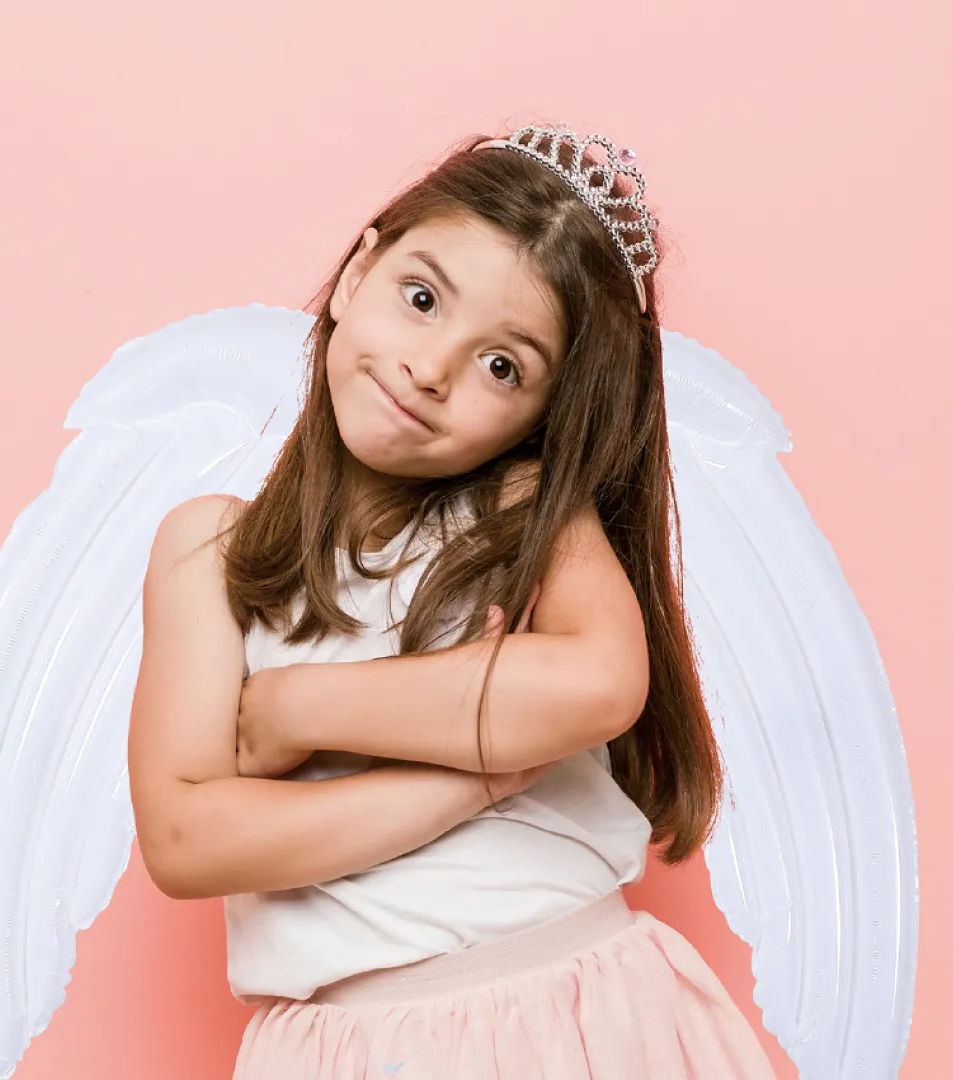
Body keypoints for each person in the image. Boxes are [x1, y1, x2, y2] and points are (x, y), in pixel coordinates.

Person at [127, 124, 779, 1078]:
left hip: (571, 1016)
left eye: (503, 365)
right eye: (421, 298)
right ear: (358, 272)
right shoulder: (211, 552)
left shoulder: (515, 514)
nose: (433, 370)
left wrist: (292, 705)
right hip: (337, 1045)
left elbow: (599, 682)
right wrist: (464, 783)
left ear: (541, 420)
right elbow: (186, 839)